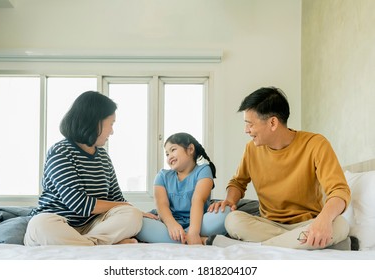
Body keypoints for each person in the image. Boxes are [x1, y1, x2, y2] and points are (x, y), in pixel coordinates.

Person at [208, 86, 353, 250]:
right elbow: (237, 182)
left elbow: (339, 191)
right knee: (232, 220)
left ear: (272, 122)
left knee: (340, 224)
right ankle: (299, 243)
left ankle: (259, 246)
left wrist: (323, 221)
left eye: (249, 124)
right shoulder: (251, 149)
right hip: (267, 224)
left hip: (308, 223)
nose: (246, 130)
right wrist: (230, 200)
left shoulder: (316, 144)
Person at [24, 91, 150, 246]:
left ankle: (87, 244)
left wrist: (134, 210)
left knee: (132, 214)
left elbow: (116, 198)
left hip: (92, 227)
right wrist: (125, 205)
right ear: (94, 122)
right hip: (58, 225)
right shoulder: (60, 152)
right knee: (40, 224)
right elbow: (80, 204)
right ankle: (100, 244)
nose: (112, 131)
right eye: (111, 124)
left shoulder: (103, 156)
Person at [136, 132, 230, 245]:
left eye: (173, 150)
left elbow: (198, 200)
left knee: (226, 212)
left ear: (190, 149)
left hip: (198, 223)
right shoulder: (162, 176)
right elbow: (161, 205)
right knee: (137, 222)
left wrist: (193, 232)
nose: (169, 156)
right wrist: (172, 225)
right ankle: (200, 239)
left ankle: (185, 237)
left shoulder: (204, 170)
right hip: (169, 225)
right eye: (166, 154)